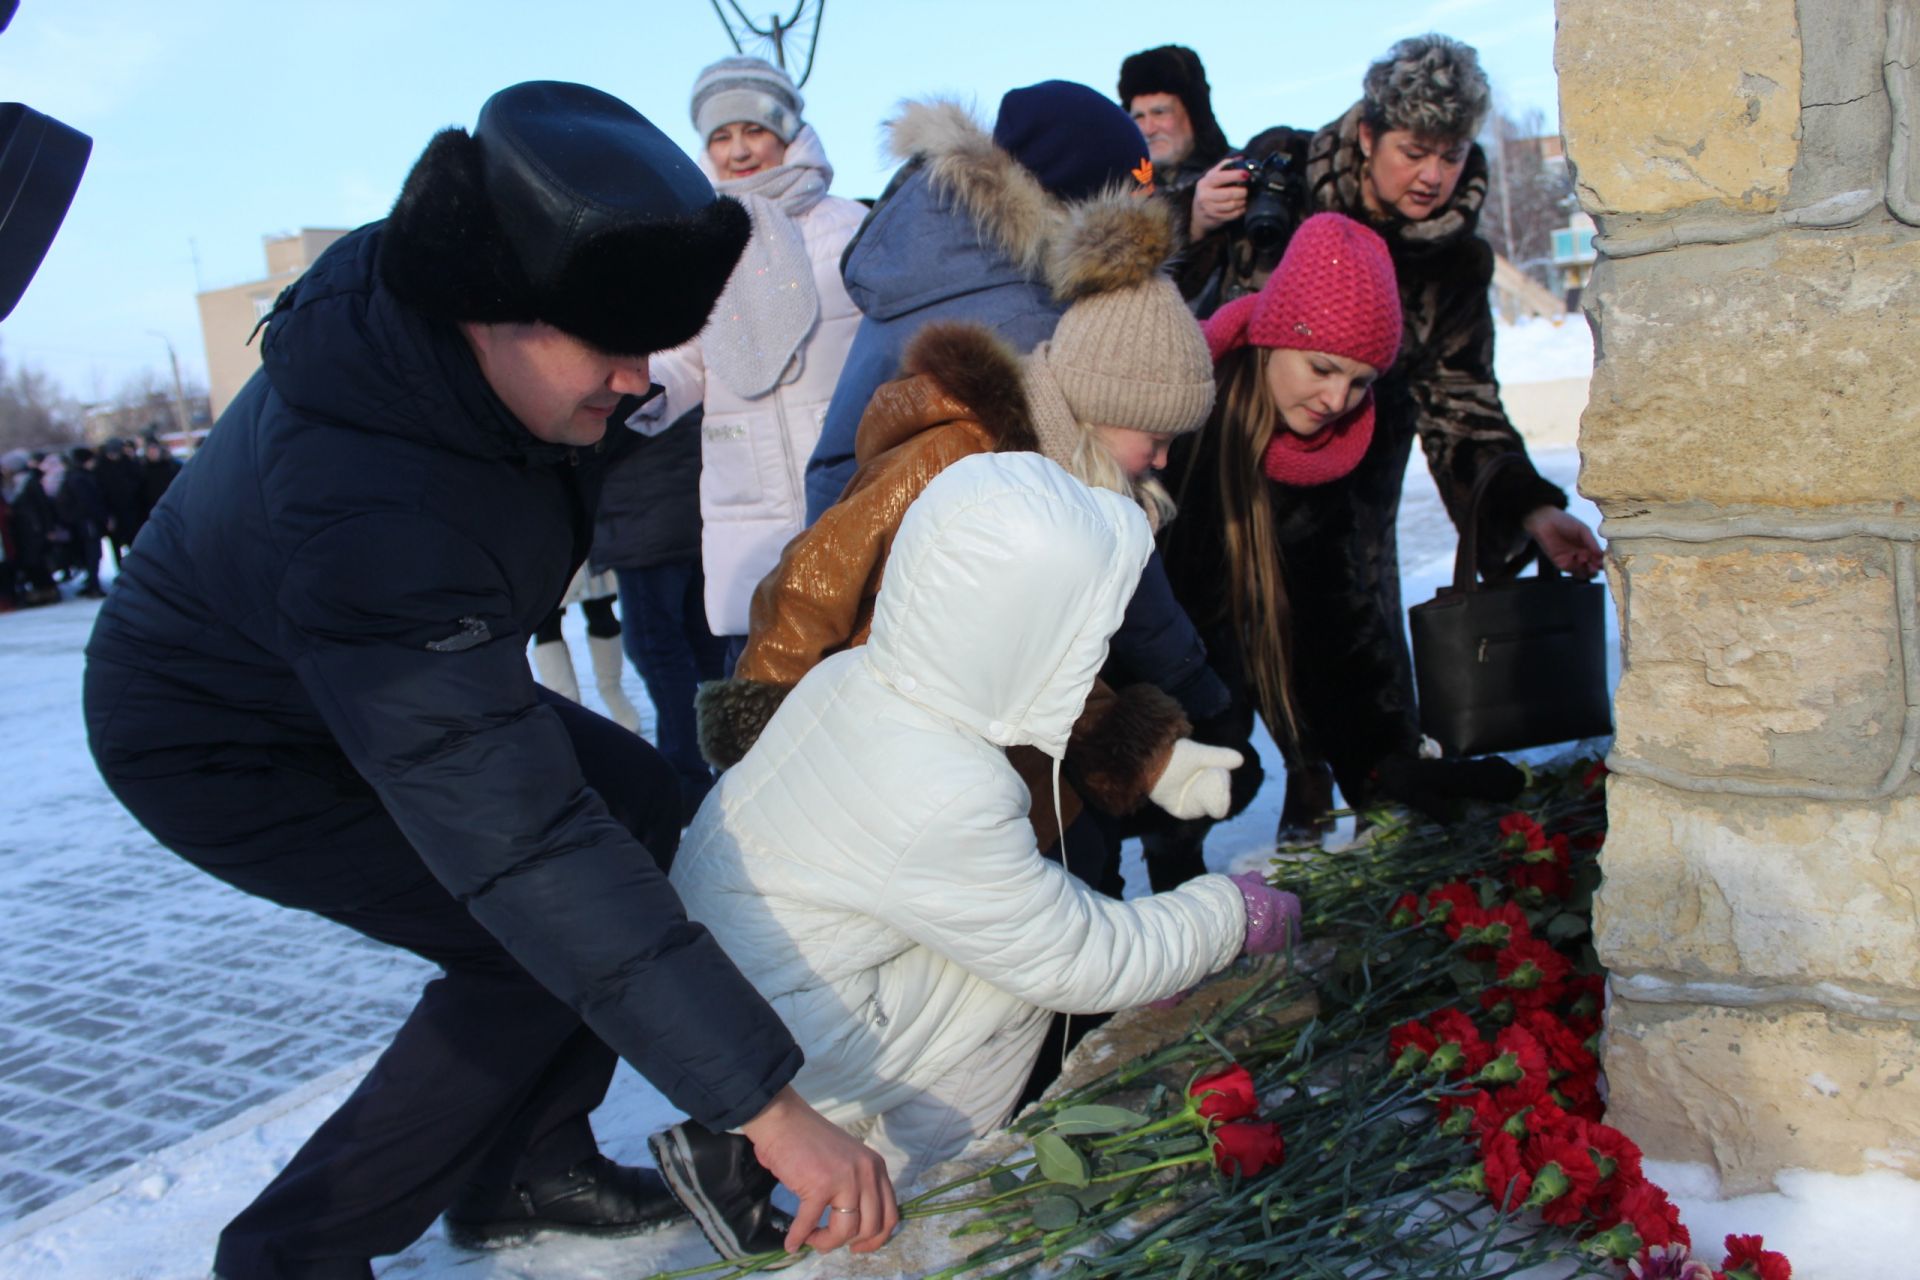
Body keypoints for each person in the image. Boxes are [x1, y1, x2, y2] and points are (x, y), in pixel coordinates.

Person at [82, 82, 894, 1280]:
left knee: (634, 799)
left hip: (333, 677)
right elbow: (525, 848)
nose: (633, 378)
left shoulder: (465, 344)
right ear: (494, 313)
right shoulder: (370, 503)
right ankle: (289, 1252)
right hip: (222, 737)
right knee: (528, 933)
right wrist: (770, 1108)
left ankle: (525, 1168)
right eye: (611, 346)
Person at [658, 452, 1301, 1203]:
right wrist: (1230, 914)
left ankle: (798, 1143)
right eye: (1084, 633)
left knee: (1005, 921)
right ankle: (918, 1188)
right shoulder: (944, 786)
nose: (1093, 653)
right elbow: (1081, 957)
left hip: (720, 1002)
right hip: (790, 1040)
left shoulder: (859, 677)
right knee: (1013, 979)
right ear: (1023, 632)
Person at [698, 192, 1242, 889]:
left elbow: (1038, 658)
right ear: (1103, 408)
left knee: (1085, 871)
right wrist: (764, 720)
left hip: (1009, 767)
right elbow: (815, 579)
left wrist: (1149, 758)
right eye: (1157, 440)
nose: (1163, 461)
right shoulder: (952, 459)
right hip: (896, 756)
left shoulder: (1069, 499)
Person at [1168, 34, 1604, 834]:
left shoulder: (1452, 262)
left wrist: (1529, 508)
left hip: (1344, 477)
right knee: (1207, 658)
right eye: (1413, 152)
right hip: (1216, 452)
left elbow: (1462, 401)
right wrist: (1189, 219)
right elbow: (1157, 294)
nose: (1432, 175)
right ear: (1368, 136)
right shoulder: (1286, 176)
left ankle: (1365, 805)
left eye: (1451, 152)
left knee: (1344, 638)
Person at [801, 80, 1158, 523]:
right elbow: (1077, 520)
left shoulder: (932, 252)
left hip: (875, 564)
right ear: (1078, 211)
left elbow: (834, 466)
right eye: (1124, 222)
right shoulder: (1024, 314)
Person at [633, 57, 868, 676]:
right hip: (748, 503)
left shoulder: (848, 227)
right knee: (766, 724)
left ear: (786, 132)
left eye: (753, 130)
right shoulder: (695, 245)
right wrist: (633, 387)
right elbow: (681, 359)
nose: (738, 151)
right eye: (719, 136)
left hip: (849, 488)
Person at [592, 407, 730, 823]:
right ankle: (722, 765)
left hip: (647, 521)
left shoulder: (633, 373)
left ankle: (687, 775)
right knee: (703, 647)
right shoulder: (677, 355)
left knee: (658, 649)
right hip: (687, 513)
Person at [528, 565, 644, 733]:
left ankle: (612, 691)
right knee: (547, 621)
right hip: (543, 554)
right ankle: (565, 706)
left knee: (601, 611)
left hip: (587, 550)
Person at [1119, 43, 1231, 194]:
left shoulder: (1236, 174)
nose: (1148, 129)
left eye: (1159, 112)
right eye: (1138, 117)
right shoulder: (1117, 191)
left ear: (1194, 115)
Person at [1, 448, 59, 606]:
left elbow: (42, 507)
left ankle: (47, 591)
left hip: (33, 530)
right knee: (32, 563)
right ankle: (43, 591)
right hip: (25, 531)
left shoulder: (28, 483)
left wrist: (47, 528)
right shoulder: (17, 484)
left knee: (36, 562)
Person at [55, 445, 108, 597]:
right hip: (87, 522)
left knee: (90, 554)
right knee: (93, 554)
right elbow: (89, 502)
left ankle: (92, 584)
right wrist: (102, 517)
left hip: (81, 522)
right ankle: (94, 586)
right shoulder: (80, 478)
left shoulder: (73, 476)